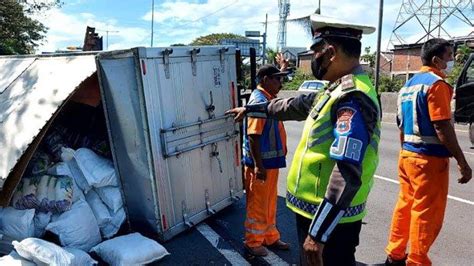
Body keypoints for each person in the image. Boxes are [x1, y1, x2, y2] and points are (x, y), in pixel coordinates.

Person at [226, 14, 380, 265]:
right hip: (317, 214)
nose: (314, 59)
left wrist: (318, 234)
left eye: (316, 51)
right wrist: (252, 110)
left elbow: (347, 171)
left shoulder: (353, 96)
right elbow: (293, 106)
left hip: (331, 222)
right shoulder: (335, 88)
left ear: (330, 52)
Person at [385, 38, 472, 266]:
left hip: (408, 156)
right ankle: (417, 260)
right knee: (426, 213)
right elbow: (442, 125)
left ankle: (395, 255)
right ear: (436, 60)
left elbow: (401, 125)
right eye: (450, 56)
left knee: (405, 206)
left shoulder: (408, 86)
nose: (452, 60)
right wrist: (462, 162)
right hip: (428, 161)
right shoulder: (436, 85)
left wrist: (404, 152)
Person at [242, 64, 291, 256]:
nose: (280, 83)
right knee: (257, 204)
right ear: (265, 80)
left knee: (270, 202)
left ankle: (270, 236)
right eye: (276, 79)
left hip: (271, 163)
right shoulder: (258, 100)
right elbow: (253, 135)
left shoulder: (267, 99)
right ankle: (253, 242)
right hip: (261, 165)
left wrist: (282, 68)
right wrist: (258, 166)